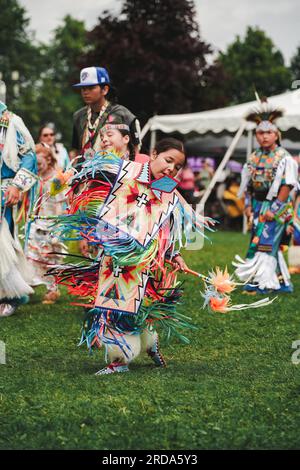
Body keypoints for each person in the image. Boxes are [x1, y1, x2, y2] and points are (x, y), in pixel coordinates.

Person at [49, 138, 217, 375]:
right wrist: (69, 178)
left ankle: (119, 361)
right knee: (120, 304)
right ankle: (149, 342)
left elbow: (163, 227)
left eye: (177, 166)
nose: (171, 168)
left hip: (141, 258)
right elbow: (91, 174)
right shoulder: (125, 170)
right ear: (154, 153)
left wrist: (173, 254)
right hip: (112, 252)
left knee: (123, 305)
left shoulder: (168, 191)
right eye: (168, 160)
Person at [233, 99, 298, 293]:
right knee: (264, 242)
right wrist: (247, 205)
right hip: (257, 204)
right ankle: (282, 283)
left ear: (277, 134)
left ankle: (263, 283)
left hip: (276, 206)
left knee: (265, 243)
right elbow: (248, 185)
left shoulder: (283, 157)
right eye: (260, 133)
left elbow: (288, 184)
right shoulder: (254, 157)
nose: (264, 136)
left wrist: (274, 208)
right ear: (256, 135)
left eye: (269, 132)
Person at [0, 100, 38, 317]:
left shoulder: (11, 122)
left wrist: (17, 185)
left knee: (3, 242)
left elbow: (29, 155)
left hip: (4, 191)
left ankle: (10, 295)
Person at [71, 67, 141, 163]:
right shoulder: (78, 116)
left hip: (114, 171)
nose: (85, 92)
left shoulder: (122, 114)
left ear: (104, 90)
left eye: (91, 88)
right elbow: (76, 150)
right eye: (83, 88)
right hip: (84, 172)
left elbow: (136, 149)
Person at [26, 144, 67, 304]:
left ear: (48, 160)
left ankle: (52, 290)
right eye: (35, 164)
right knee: (31, 254)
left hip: (52, 223)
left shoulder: (57, 178)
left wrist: (57, 227)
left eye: (40, 164)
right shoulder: (36, 177)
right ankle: (30, 284)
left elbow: (60, 204)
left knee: (50, 258)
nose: (37, 167)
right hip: (36, 221)